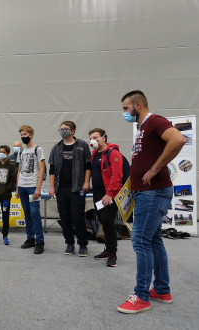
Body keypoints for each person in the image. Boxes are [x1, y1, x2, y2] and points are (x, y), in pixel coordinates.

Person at [117, 90, 186, 314]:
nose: (124, 113)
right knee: (154, 241)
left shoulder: (155, 121)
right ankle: (162, 290)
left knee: (140, 241)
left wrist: (155, 169)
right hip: (144, 192)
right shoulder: (142, 128)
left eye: (126, 108)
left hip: (153, 192)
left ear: (138, 105)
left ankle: (142, 296)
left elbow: (178, 139)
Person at [49, 121, 91, 257]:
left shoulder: (82, 145)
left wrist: (86, 182)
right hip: (61, 189)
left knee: (78, 217)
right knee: (65, 217)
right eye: (61, 129)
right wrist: (51, 187)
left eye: (65, 129)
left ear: (72, 131)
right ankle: (69, 243)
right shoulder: (56, 148)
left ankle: (83, 244)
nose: (62, 131)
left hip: (77, 188)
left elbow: (88, 166)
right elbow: (52, 170)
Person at [88, 128, 123, 267]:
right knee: (102, 221)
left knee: (108, 221)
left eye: (95, 137)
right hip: (97, 193)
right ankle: (108, 250)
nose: (92, 140)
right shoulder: (95, 153)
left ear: (103, 138)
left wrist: (109, 194)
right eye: (90, 137)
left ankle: (113, 253)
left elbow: (116, 175)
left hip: (109, 194)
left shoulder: (113, 153)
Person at [15, 125, 45, 254]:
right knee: (27, 214)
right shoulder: (21, 151)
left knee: (34, 213)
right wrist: (17, 188)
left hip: (32, 187)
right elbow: (19, 170)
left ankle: (40, 241)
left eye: (25, 134)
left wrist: (38, 188)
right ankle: (30, 238)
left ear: (31, 135)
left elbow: (42, 169)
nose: (23, 137)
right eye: (21, 135)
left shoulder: (38, 149)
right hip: (22, 186)